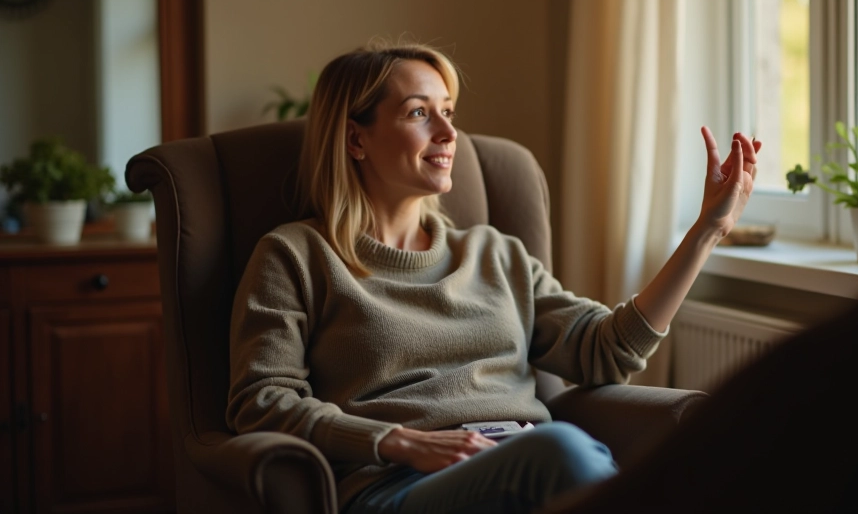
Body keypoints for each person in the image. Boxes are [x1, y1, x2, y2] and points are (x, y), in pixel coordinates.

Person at [225, 42, 761, 514]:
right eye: (419, 113)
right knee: (563, 452)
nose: (447, 132)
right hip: (397, 486)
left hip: (530, 463)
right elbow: (262, 400)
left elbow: (610, 350)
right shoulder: (295, 255)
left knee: (577, 457)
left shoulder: (494, 254)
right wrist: (400, 442)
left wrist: (706, 232)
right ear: (355, 140)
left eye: (449, 112)